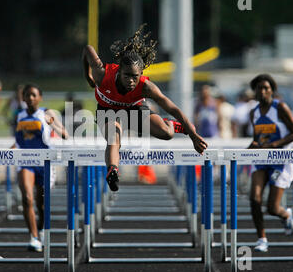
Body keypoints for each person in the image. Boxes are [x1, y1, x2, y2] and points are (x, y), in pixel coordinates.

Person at [82, 24, 207, 192]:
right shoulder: (102, 74)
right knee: (114, 138)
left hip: (134, 111)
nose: (131, 81)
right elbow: (88, 49)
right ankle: (113, 170)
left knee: (167, 134)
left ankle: (174, 126)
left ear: (141, 75)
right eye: (127, 76)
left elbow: (173, 108)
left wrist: (192, 134)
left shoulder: (146, 87)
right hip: (107, 112)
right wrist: (88, 76)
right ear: (119, 71)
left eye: (135, 77)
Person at [11, 84, 68, 252]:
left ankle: (42, 230)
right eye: (27, 95)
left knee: (42, 204)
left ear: (40, 97)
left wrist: (53, 125)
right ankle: (34, 237)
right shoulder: (19, 115)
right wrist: (7, 153)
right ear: (23, 98)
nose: (30, 98)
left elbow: (65, 135)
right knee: (27, 198)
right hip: (25, 161)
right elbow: (20, 141)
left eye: (33, 95)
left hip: (45, 162)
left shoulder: (46, 113)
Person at [247, 74, 293, 252]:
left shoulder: (280, 108)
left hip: (280, 160)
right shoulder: (253, 113)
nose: (262, 91)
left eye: (266, 88)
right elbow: (257, 139)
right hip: (261, 160)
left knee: (272, 207)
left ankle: (286, 214)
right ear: (254, 91)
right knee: (254, 198)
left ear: (272, 91)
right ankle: (261, 238)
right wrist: (249, 150)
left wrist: (273, 145)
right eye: (259, 88)